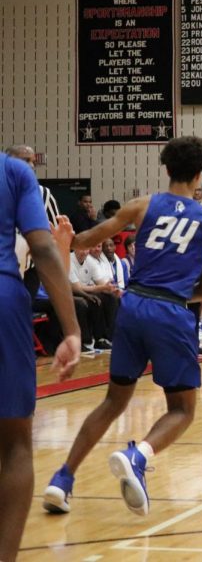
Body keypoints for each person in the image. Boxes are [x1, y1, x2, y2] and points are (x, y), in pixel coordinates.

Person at [42, 136, 202, 517]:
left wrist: (64, 235)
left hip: (133, 305)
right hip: (171, 312)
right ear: (199, 174)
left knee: (112, 401)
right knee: (183, 410)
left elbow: (84, 241)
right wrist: (172, 292)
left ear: (167, 169)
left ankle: (62, 479)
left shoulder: (141, 206)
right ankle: (137, 455)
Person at [0, 152, 80, 561]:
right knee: (14, 444)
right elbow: (45, 251)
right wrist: (70, 330)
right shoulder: (14, 173)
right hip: (4, 298)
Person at [5, 144, 59, 227]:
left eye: (33, 162)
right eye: (25, 160)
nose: (31, 166)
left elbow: (55, 232)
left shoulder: (43, 193)